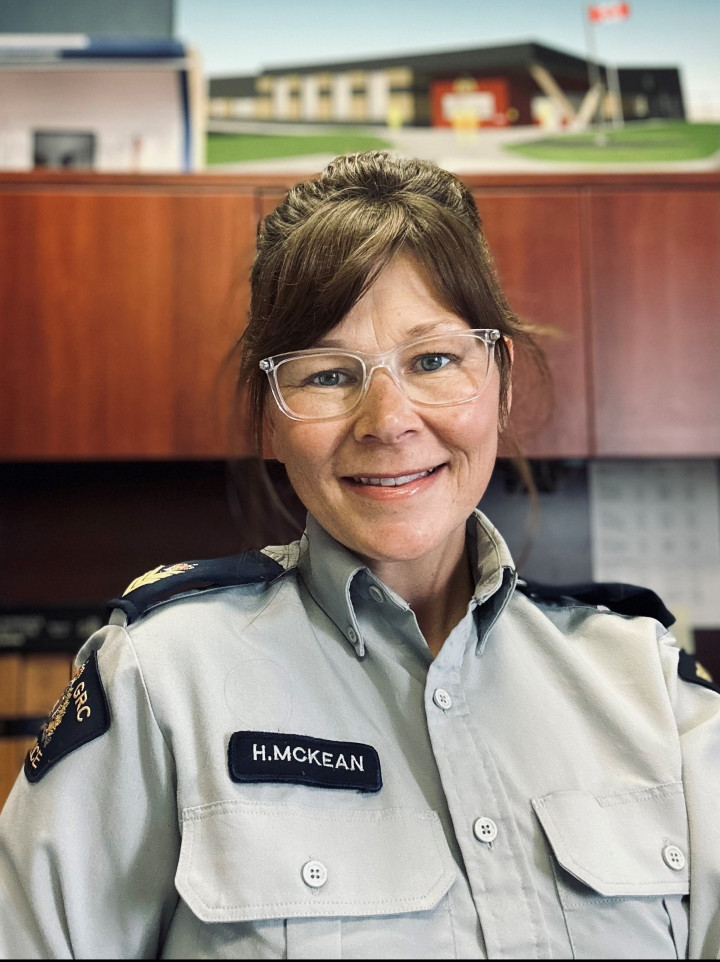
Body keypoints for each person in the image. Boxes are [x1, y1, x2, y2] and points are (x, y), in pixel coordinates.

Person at [0, 150, 718, 959]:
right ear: (272, 420)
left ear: (501, 382)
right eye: (330, 374)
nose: (388, 419)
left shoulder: (650, 687)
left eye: (434, 360)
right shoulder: (159, 680)